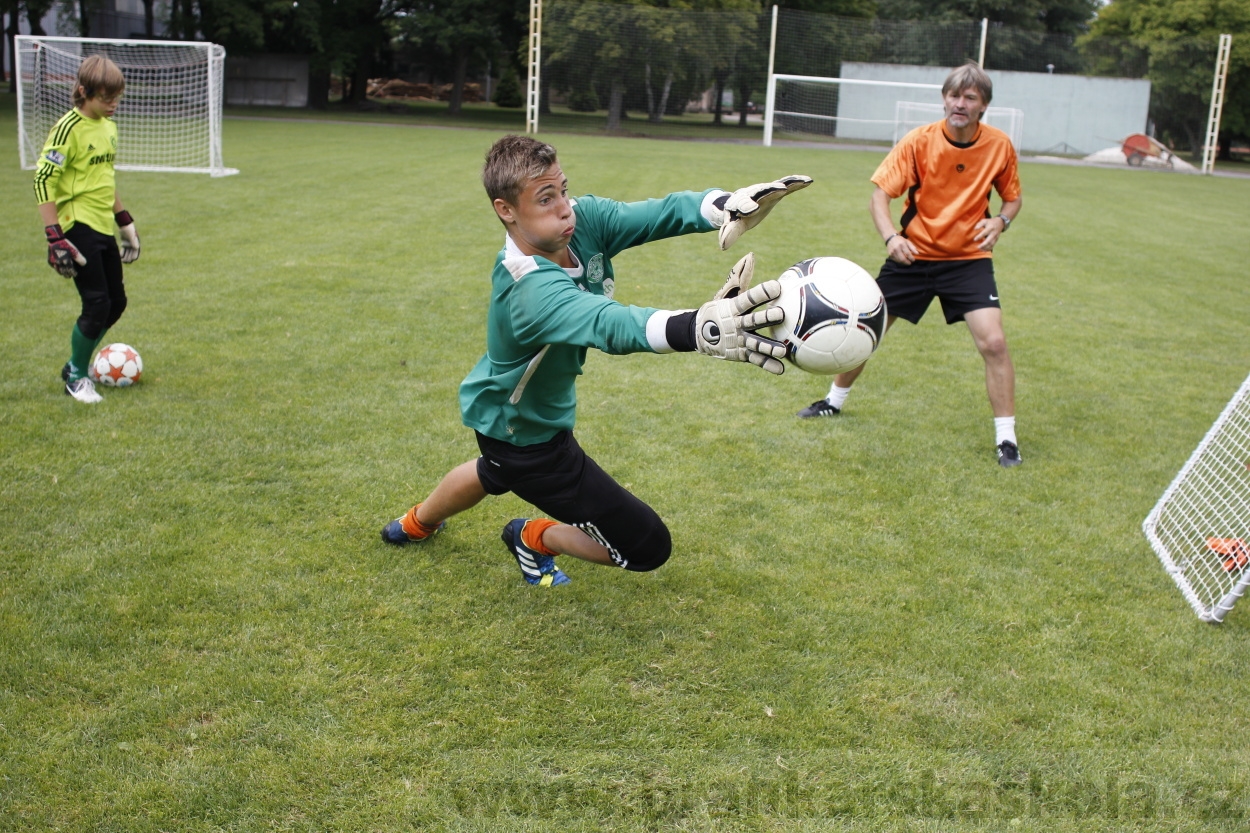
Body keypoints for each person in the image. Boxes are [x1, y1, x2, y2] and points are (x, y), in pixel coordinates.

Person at [381, 134, 811, 586]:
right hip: (527, 437)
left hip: (505, 416)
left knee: (493, 470)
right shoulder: (527, 288)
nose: (565, 207)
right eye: (545, 199)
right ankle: (534, 536)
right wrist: (696, 328)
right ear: (505, 210)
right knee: (646, 546)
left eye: (562, 190)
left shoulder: (581, 221)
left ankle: (415, 523)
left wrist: (725, 204)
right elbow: (610, 324)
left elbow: (655, 213)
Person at [797, 62, 1024, 468]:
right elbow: (879, 196)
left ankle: (1007, 439)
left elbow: (1012, 198)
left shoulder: (1000, 146)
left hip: (968, 260)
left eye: (970, 97)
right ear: (944, 98)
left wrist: (1001, 221)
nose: (960, 103)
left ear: (983, 105)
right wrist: (891, 238)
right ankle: (833, 401)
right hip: (912, 256)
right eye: (954, 95)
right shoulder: (919, 141)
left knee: (994, 343)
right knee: (864, 329)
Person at [33, 55, 142, 405]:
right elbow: (42, 180)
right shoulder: (67, 129)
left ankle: (74, 364)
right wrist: (54, 235)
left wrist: (124, 220)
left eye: (117, 98)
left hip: (101, 225)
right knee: (95, 304)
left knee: (116, 303)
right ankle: (77, 377)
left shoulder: (109, 127)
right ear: (83, 91)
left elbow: (104, 179)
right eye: (106, 98)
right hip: (76, 225)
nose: (113, 105)